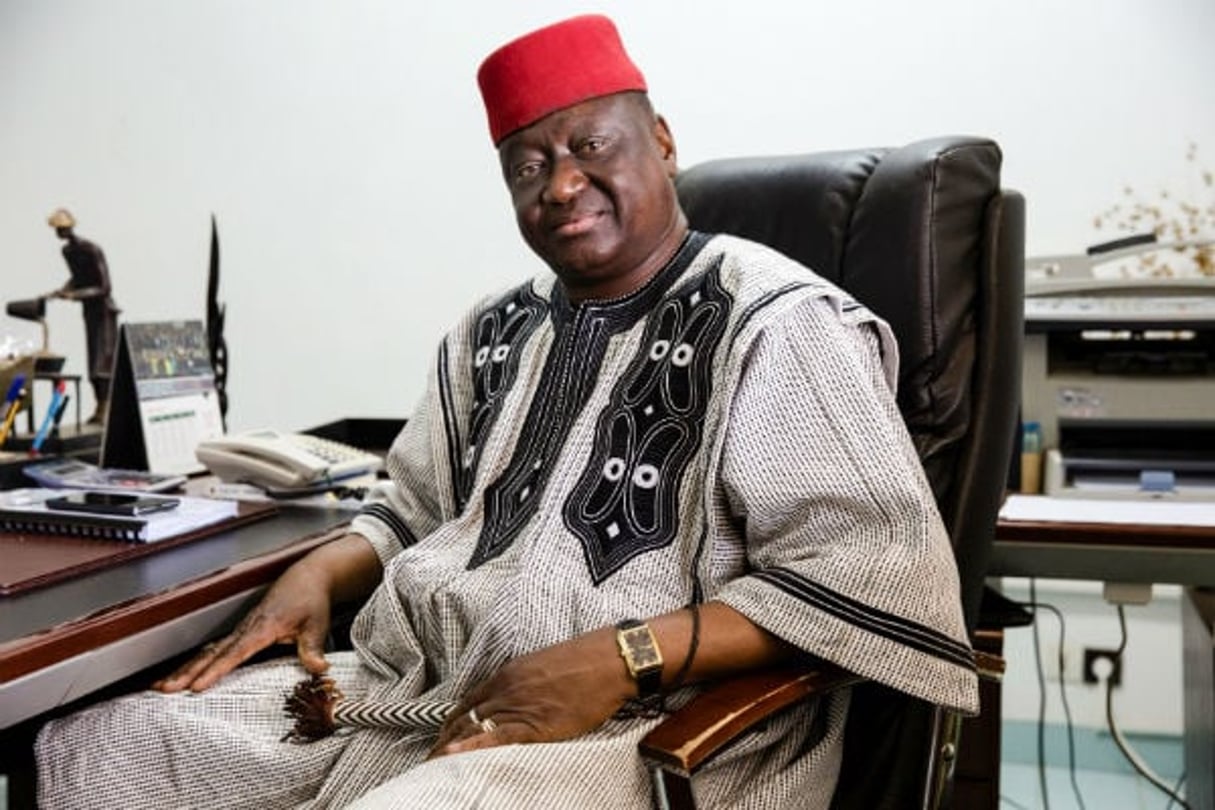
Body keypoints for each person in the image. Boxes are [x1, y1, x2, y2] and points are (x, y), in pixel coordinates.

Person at [35, 15, 978, 809]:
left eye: (589, 146)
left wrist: (620, 658)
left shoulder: (775, 322)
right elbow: (410, 506)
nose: (560, 184)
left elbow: (875, 576)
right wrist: (324, 567)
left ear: (661, 142)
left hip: (650, 733)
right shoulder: (492, 329)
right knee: (99, 747)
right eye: (528, 166)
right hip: (423, 689)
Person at [47, 208, 121, 425]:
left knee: (103, 361)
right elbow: (77, 279)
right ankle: (100, 407)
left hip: (104, 311)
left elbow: (104, 287)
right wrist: (61, 290)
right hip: (90, 311)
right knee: (93, 362)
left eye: (62, 228)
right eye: (57, 229)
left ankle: (106, 407)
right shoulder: (67, 252)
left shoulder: (91, 249)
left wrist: (74, 294)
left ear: (71, 227)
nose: (60, 233)